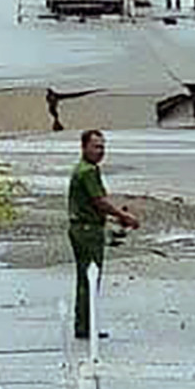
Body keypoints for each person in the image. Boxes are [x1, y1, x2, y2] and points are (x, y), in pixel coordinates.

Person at [67, 129, 140, 340]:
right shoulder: (87, 171)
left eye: (102, 147)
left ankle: (84, 324)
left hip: (83, 227)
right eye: (96, 146)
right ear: (84, 147)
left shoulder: (85, 169)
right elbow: (99, 201)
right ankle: (85, 326)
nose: (100, 151)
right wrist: (124, 216)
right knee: (90, 278)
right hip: (87, 231)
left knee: (85, 278)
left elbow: (92, 205)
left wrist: (114, 219)